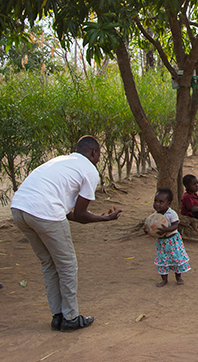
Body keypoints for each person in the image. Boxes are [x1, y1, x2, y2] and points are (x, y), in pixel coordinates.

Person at [10, 136, 122, 332]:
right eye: (98, 155)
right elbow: (79, 215)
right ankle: (70, 317)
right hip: (43, 212)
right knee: (67, 264)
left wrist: (94, 217)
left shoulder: (61, 161)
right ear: (93, 152)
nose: (98, 159)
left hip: (19, 209)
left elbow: (68, 213)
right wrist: (104, 219)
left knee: (48, 263)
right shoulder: (89, 170)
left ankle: (58, 315)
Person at [151, 188, 190, 287]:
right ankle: (164, 279)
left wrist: (166, 229)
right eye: (156, 201)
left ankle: (178, 276)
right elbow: (151, 226)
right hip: (162, 242)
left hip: (173, 241)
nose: (157, 204)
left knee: (176, 258)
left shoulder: (171, 214)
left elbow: (175, 225)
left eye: (161, 202)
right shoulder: (155, 215)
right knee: (163, 259)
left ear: (168, 204)